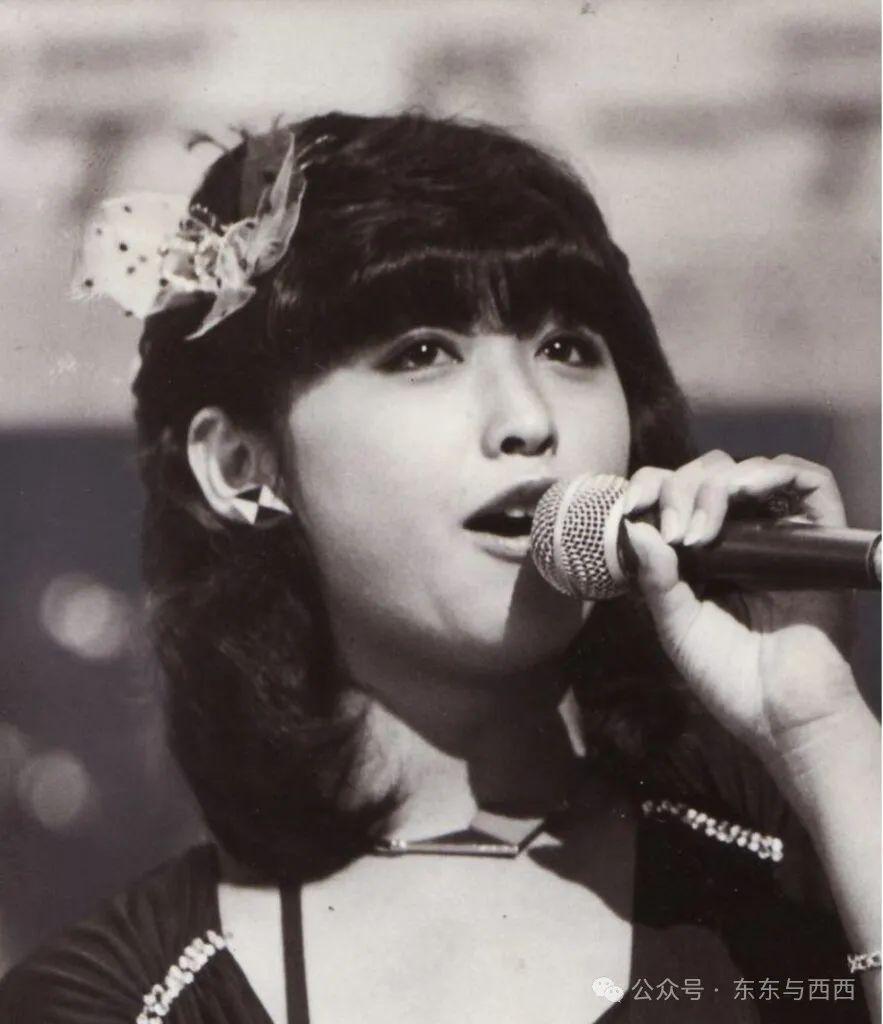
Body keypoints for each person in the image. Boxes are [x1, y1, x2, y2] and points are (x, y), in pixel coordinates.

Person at [0, 112, 878, 1023]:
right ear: (241, 466)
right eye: (422, 353)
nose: (529, 419)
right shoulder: (115, 1000)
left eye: (567, 348)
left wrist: (820, 730)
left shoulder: (806, 855)